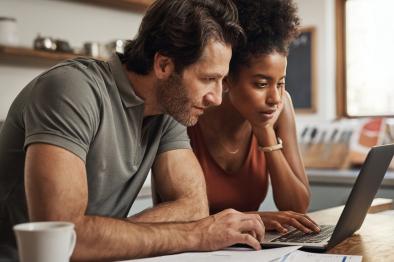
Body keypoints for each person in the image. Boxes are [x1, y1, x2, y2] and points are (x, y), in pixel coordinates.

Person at [0, 1, 266, 261]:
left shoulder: (169, 109)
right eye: (208, 79)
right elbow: (63, 237)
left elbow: (194, 207)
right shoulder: (71, 90)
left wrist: (105, 237)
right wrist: (197, 235)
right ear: (163, 65)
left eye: (222, 80)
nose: (217, 98)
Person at [187, 0, 320, 234]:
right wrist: (255, 218)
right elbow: (177, 216)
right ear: (227, 78)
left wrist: (265, 132)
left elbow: (298, 206)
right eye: (261, 84)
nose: (275, 97)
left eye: (280, 83)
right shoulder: (190, 112)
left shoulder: (280, 107)